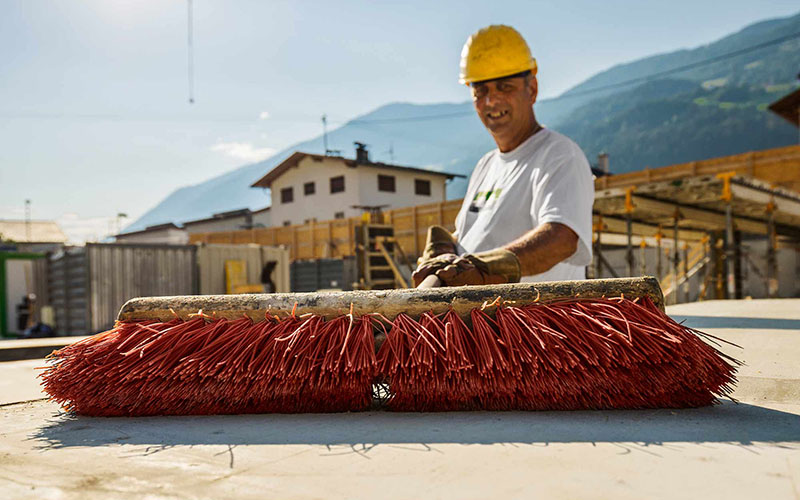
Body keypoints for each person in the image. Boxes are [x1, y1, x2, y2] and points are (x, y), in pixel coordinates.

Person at [412, 25, 594, 287]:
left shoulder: (559, 155)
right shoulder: (485, 166)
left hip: (531, 324)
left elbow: (561, 237)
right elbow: (475, 238)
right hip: (478, 322)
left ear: (531, 90)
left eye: (504, 87)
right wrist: (445, 249)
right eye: (481, 90)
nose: (491, 101)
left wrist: (486, 268)